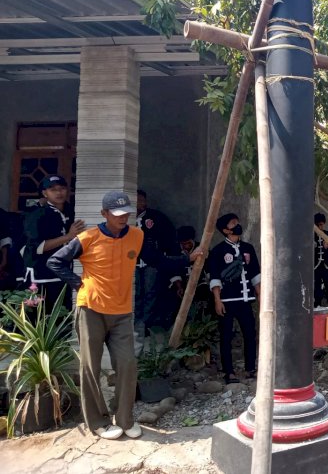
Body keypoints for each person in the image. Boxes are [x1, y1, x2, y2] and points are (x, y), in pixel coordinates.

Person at [46, 191, 200, 440]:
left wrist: (186, 260)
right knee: (90, 367)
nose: (122, 218)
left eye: (126, 213)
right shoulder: (88, 237)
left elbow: (157, 261)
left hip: (121, 313)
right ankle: (99, 422)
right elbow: (55, 261)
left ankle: (125, 419)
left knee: (127, 364)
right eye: (116, 214)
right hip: (91, 310)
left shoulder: (137, 236)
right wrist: (78, 283)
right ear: (104, 214)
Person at [208, 213, 261, 383]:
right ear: (225, 230)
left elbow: (255, 274)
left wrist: (260, 295)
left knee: (249, 334)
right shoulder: (218, 251)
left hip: (245, 300)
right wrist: (217, 300)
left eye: (238, 222)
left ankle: (250, 368)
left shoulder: (248, 248)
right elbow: (215, 277)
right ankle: (229, 372)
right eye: (233, 223)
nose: (237, 225)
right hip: (227, 301)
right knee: (226, 336)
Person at [25, 175, 86, 311]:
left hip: (65, 272)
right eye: (53, 189)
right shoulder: (37, 215)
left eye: (62, 188)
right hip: (42, 273)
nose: (59, 193)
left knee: (64, 313)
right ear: (44, 193)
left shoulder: (73, 210)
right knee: (42, 316)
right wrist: (69, 236)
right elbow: (38, 247)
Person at [134, 189, 178, 334]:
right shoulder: (125, 218)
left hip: (151, 264)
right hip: (131, 264)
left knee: (150, 292)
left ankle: (146, 324)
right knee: (135, 293)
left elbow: (168, 238)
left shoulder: (156, 217)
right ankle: (135, 323)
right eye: (136, 200)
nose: (139, 203)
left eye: (142, 200)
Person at [313, 213, 328, 307]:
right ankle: (317, 305)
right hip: (315, 266)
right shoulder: (310, 234)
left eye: (322, 224)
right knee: (316, 287)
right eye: (319, 225)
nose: (321, 227)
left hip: (327, 265)